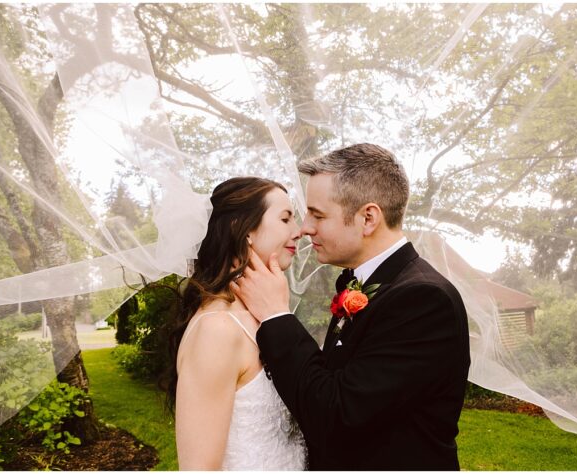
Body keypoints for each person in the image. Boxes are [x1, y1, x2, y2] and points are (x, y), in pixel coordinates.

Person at [233, 143, 471, 470]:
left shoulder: (424, 301)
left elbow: (338, 415)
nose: (305, 228)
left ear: (368, 218)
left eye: (318, 214)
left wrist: (277, 316)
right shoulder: (363, 284)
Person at [170, 177, 307, 470]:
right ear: (242, 229)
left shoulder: (265, 314)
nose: (299, 233)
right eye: (285, 219)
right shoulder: (216, 330)